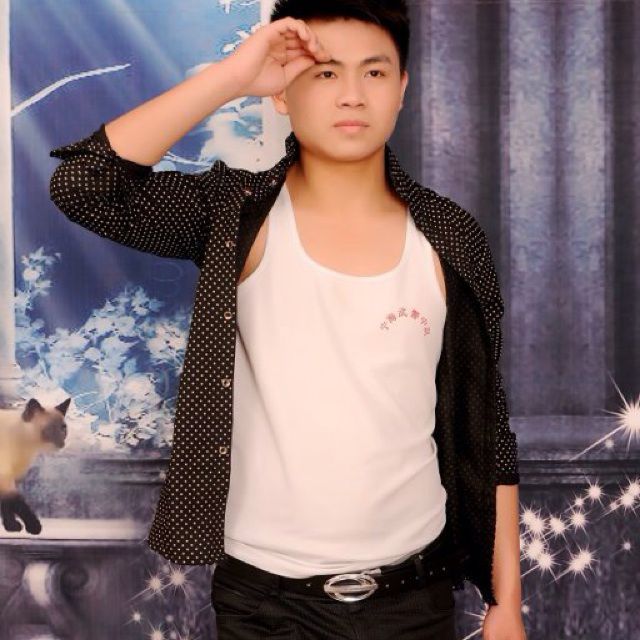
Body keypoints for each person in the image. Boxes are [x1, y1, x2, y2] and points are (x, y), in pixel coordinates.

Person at [48, 1, 527, 638]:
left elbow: (487, 424)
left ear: (402, 88)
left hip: (414, 597)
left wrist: (506, 602)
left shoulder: (450, 237)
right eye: (325, 73)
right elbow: (83, 186)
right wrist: (231, 79)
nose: (352, 95)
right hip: (265, 605)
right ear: (281, 92)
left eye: (374, 72)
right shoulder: (235, 216)